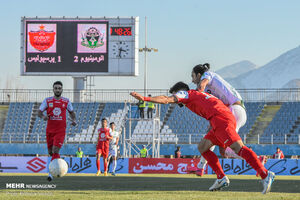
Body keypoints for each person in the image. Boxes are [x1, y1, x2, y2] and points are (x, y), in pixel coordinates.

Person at [130, 82, 275, 194]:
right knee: (203, 147)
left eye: (174, 95)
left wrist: (144, 98)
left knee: (238, 148)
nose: (175, 100)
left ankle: (265, 174)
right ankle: (221, 178)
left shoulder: (184, 93)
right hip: (218, 119)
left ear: (178, 91)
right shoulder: (198, 95)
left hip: (221, 119)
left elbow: (167, 100)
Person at [189, 63, 247, 176]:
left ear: (199, 74)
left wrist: (192, 96)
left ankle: (201, 167)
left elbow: (201, 86)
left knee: (219, 141)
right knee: (223, 149)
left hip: (234, 110)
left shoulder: (207, 75)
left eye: (193, 76)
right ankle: (201, 168)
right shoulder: (212, 88)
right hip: (238, 112)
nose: (192, 80)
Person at [38, 81, 77, 182]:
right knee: (51, 153)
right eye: (56, 88)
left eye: (59, 88)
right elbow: (39, 112)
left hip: (60, 131)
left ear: (62, 89)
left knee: (55, 150)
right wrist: (43, 116)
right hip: (49, 131)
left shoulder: (66, 101)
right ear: (53, 89)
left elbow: (72, 113)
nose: (58, 90)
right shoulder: (47, 101)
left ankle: (51, 174)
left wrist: (74, 120)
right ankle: (59, 163)